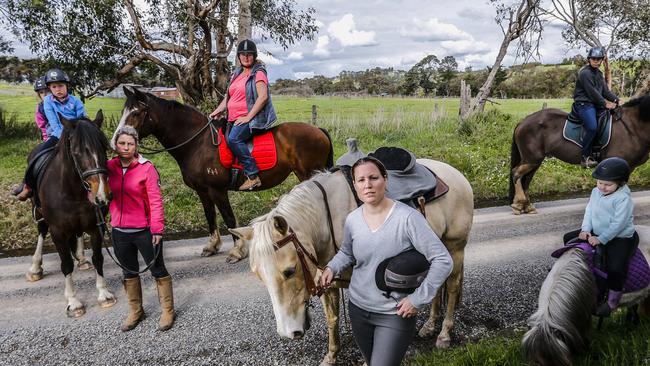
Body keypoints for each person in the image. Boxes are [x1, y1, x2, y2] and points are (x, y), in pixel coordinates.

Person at [319, 156, 453, 366]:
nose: (368, 185)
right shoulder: (353, 219)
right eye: (361, 180)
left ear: (385, 180)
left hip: (394, 314)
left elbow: (443, 260)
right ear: (354, 185)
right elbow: (347, 252)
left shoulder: (408, 218)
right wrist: (331, 267)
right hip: (359, 309)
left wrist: (418, 299)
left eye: (373, 178)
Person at [108, 126, 176, 332]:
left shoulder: (147, 168)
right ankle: (136, 310)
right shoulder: (108, 166)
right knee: (128, 271)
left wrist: (157, 229)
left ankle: (167, 310)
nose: (126, 147)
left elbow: (156, 201)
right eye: (122, 143)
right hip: (119, 231)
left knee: (157, 269)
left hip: (145, 230)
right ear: (116, 145)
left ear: (136, 145)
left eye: (130, 143)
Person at [564, 157, 637, 316]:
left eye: (608, 184)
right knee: (568, 238)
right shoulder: (595, 192)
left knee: (616, 268)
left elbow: (619, 224)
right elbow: (589, 211)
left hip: (620, 237)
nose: (602, 187)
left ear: (621, 183)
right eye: (599, 183)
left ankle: (613, 300)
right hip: (596, 231)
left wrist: (601, 239)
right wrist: (585, 229)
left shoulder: (623, 198)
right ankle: (567, 270)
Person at [209, 38, 277, 191]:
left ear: (254, 55)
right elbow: (229, 97)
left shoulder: (258, 73)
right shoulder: (237, 73)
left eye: (249, 54)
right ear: (239, 56)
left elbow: (263, 97)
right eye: (243, 54)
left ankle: (253, 176)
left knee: (234, 139)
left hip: (252, 119)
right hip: (233, 118)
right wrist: (218, 110)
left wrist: (248, 117)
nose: (246, 57)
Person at [12, 68, 88, 200]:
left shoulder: (76, 101)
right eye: (54, 87)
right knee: (37, 155)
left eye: (61, 86)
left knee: (94, 153)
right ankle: (28, 186)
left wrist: (77, 135)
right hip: (58, 134)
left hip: (78, 135)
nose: (58, 89)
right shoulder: (48, 102)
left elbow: (82, 120)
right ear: (50, 88)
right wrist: (65, 136)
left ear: (67, 86)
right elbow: (54, 124)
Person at [573, 46, 619, 168]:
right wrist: (605, 103)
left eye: (599, 59)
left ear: (601, 60)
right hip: (584, 104)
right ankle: (585, 157)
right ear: (589, 59)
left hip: (595, 104)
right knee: (592, 127)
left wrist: (616, 100)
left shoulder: (598, 74)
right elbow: (592, 93)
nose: (596, 61)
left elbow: (605, 91)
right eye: (594, 58)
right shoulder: (585, 73)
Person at [33, 76, 51, 141]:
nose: (45, 94)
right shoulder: (40, 108)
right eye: (41, 92)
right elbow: (42, 126)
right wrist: (46, 138)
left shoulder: (60, 103)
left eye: (48, 91)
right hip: (50, 135)